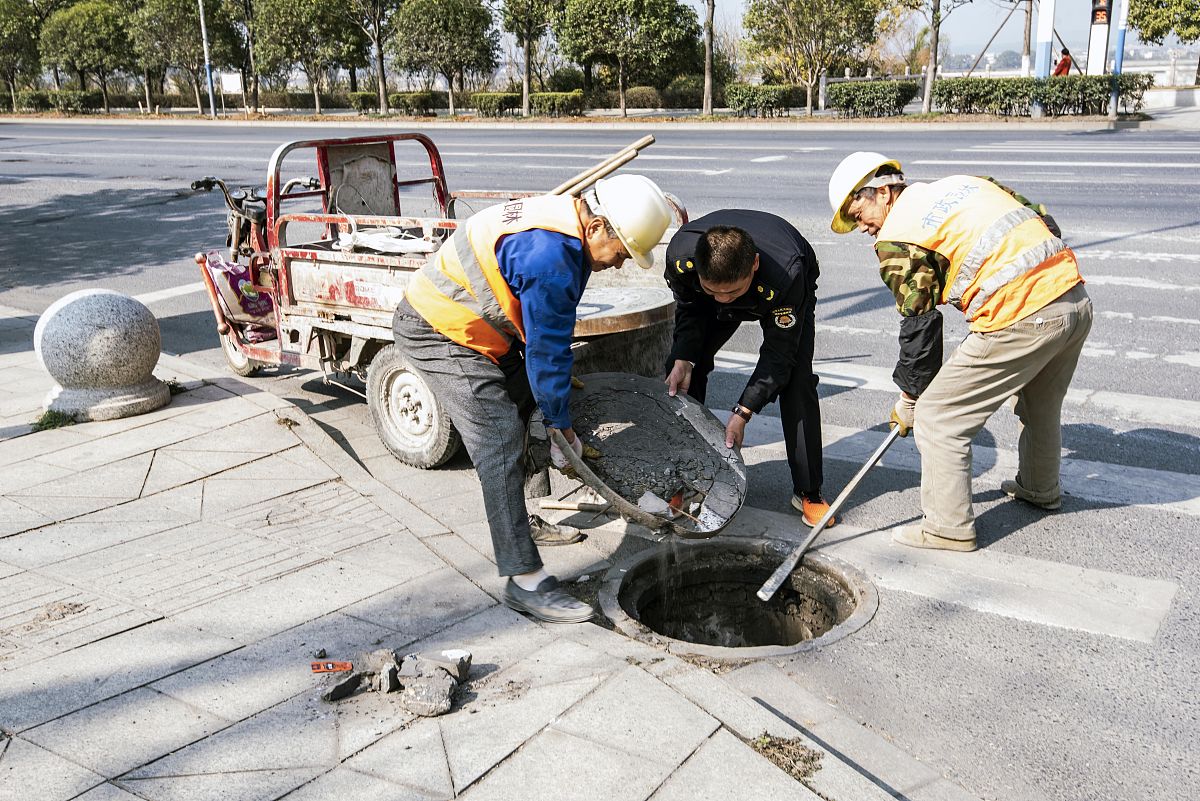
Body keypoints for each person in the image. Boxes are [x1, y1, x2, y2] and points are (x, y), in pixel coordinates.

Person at [393, 175, 673, 622]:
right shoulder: (551, 257)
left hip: (480, 325)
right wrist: (561, 427)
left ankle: (524, 519)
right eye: (622, 252)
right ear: (599, 226)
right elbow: (546, 348)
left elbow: (544, 331)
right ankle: (524, 579)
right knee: (500, 436)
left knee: (527, 398)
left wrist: (550, 400)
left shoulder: (566, 216)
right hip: (440, 328)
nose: (620, 264)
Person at [827, 152, 1092, 552]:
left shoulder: (897, 234)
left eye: (856, 210)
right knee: (1040, 404)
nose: (859, 225)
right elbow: (1044, 221)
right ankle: (1040, 489)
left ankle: (947, 528)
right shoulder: (964, 183)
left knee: (939, 419)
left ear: (882, 191)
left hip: (1021, 313)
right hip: (1072, 296)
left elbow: (919, 323)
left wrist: (913, 399)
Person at [663, 210, 834, 527]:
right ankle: (683, 475)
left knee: (797, 380)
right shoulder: (680, 258)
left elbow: (779, 355)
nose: (725, 301)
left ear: (754, 264)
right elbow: (689, 311)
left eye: (732, 292)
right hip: (711, 298)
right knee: (682, 372)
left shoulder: (787, 273)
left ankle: (809, 491)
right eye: (716, 291)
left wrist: (743, 411)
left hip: (776, 291)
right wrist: (684, 357)